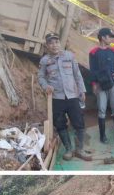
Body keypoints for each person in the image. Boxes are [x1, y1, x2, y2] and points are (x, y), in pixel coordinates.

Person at [38, 32, 92, 161]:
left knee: (79, 122)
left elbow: (77, 75)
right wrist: (46, 86)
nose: (54, 45)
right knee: (60, 124)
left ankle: (80, 149)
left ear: (59, 43)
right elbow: (41, 77)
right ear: (47, 45)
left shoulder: (69, 56)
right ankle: (69, 149)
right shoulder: (44, 61)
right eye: (51, 43)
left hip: (72, 95)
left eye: (56, 42)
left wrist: (82, 91)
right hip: (56, 98)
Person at [89, 28, 114, 143]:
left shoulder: (113, 51)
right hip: (100, 84)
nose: (111, 39)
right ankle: (102, 136)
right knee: (101, 109)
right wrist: (94, 84)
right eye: (109, 37)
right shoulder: (93, 52)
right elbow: (92, 70)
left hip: (113, 83)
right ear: (103, 37)